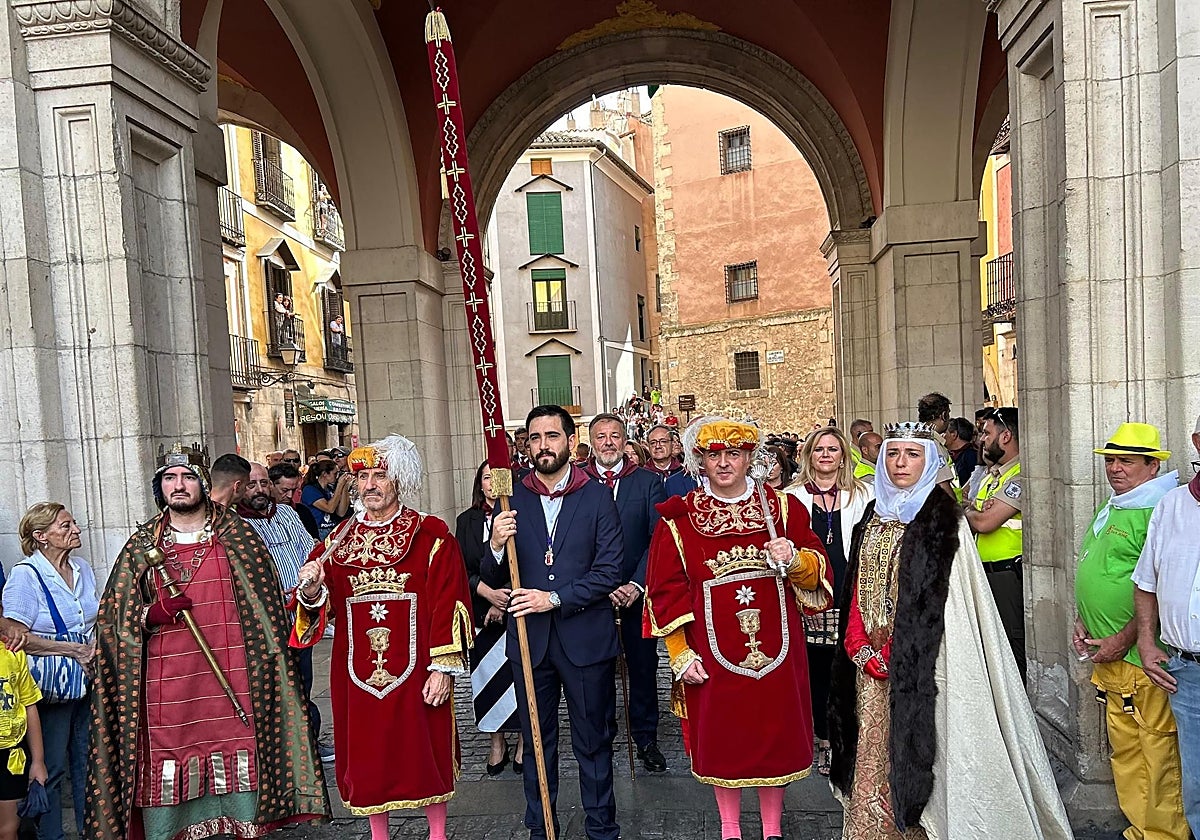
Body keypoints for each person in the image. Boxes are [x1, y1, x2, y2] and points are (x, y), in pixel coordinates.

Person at [828, 422, 1073, 840]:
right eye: (892, 454)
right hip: (869, 666)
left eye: (912, 455)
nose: (900, 463)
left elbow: (948, 607)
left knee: (929, 757)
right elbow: (857, 587)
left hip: (928, 666)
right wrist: (858, 642)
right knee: (870, 758)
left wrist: (900, 654)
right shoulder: (872, 516)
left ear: (929, 462)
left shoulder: (944, 521)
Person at [88, 444, 329, 839]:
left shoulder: (239, 537)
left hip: (235, 682)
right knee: (167, 781)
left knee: (243, 785)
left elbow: (269, 611)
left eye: (186, 477)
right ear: (160, 488)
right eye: (169, 479)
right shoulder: (140, 546)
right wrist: (152, 614)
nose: (178, 486)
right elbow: (112, 621)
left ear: (202, 483)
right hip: (168, 694)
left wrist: (309, 598)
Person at [644, 416, 831, 840]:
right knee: (725, 740)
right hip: (711, 651)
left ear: (750, 458)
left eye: (734, 453)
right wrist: (679, 653)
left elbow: (820, 572)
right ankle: (730, 829)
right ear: (699, 461)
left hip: (778, 648)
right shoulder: (679, 519)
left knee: (774, 736)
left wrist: (796, 559)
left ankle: (772, 829)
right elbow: (665, 589)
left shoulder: (783, 509)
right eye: (714, 455)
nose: (724, 463)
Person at [293, 435, 472, 840]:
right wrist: (310, 589)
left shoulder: (430, 534)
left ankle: (438, 834)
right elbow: (322, 605)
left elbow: (450, 600)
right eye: (363, 477)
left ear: (398, 482)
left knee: (423, 750)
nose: (370, 485)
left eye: (380, 476)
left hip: (417, 669)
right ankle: (379, 835)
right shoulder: (337, 543)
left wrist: (442, 669)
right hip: (357, 674)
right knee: (368, 754)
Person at [484, 405, 623, 840]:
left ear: (569, 440)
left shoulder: (596, 495)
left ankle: (602, 828)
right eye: (535, 437)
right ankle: (541, 827)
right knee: (535, 744)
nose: (543, 445)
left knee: (592, 742)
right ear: (526, 443)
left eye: (552, 436)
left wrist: (554, 598)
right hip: (529, 640)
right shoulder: (512, 497)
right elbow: (490, 575)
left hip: (585, 639)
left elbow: (609, 569)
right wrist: (494, 543)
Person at [1074, 424, 1186, 840]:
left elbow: (1156, 582)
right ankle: (1140, 827)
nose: (1115, 469)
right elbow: (1099, 567)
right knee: (1126, 747)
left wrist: (1125, 638)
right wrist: (1084, 619)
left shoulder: (1158, 508)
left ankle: (1164, 834)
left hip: (1141, 656)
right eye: (1110, 460)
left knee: (1157, 750)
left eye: (1126, 461)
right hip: (1111, 656)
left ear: (1152, 466)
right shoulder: (1119, 504)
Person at [784, 426, 873, 778]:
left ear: (843, 457)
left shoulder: (862, 494)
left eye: (832, 449)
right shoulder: (791, 497)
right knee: (815, 667)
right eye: (818, 449)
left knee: (846, 665)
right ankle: (821, 738)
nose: (825, 455)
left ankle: (845, 739)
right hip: (808, 592)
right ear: (808, 456)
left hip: (849, 589)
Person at [5, 504, 97, 840]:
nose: (75, 529)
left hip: (84, 680)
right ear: (41, 536)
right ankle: (51, 835)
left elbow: (94, 618)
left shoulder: (83, 568)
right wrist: (71, 649)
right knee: (51, 766)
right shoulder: (26, 575)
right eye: (65, 524)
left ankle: (92, 831)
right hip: (48, 685)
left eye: (74, 522)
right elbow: (15, 637)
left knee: (87, 764)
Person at [585, 413, 669, 773]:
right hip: (592, 597)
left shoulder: (648, 482)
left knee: (643, 667)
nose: (608, 442)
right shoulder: (579, 483)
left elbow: (658, 538)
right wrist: (598, 586)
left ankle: (646, 736)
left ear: (625, 440)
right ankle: (602, 733)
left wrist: (636, 583)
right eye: (600, 436)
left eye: (614, 436)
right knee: (597, 669)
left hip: (636, 592)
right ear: (591, 442)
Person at [237, 463, 333, 764]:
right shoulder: (235, 526)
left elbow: (312, 551)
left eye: (264, 483)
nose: (260, 490)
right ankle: (278, 753)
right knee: (274, 690)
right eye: (252, 485)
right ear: (239, 487)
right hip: (267, 623)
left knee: (303, 682)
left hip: (301, 617)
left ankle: (308, 744)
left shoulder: (289, 514)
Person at [1134, 413, 1200, 837]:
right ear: (1198, 441)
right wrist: (1145, 639)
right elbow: (1146, 584)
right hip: (1188, 675)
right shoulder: (1170, 506)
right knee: (1195, 784)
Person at [456, 461, 523, 776]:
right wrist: (487, 594)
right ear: (479, 483)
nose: (492, 484)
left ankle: (524, 738)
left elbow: (529, 560)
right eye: (486, 477)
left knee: (520, 678)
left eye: (498, 478)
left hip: (517, 610)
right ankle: (497, 741)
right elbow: (461, 570)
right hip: (481, 612)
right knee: (487, 682)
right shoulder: (466, 521)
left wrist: (505, 595)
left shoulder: (522, 514)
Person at [965, 406, 1026, 681]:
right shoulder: (995, 474)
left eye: (986, 433)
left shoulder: (1020, 475)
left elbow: (984, 522)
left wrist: (969, 513)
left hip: (1007, 575)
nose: (981, 440)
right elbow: (971, 508)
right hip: (987, 572)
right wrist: (972, 511)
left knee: (1011, 651)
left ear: (1006, 437)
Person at [0, 631, 46, 840]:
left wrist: (38, 761)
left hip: (11, 757)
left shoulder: (12, 652)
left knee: (8, 829)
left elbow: (29, 705)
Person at [301, 459, 352, 539]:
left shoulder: (330, 489)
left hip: (332, 529)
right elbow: (329, 508)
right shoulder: (309, 490)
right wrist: (339, 486)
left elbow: (341, 512)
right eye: (335, 473)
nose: (337, 476)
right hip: (319, 530)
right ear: (325, 474)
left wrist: (344, 486)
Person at [944, 417, 978, 488]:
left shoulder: (971, 456)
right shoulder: (949, 455)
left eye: (944, 432)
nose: (942, 436)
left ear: (954, 434)